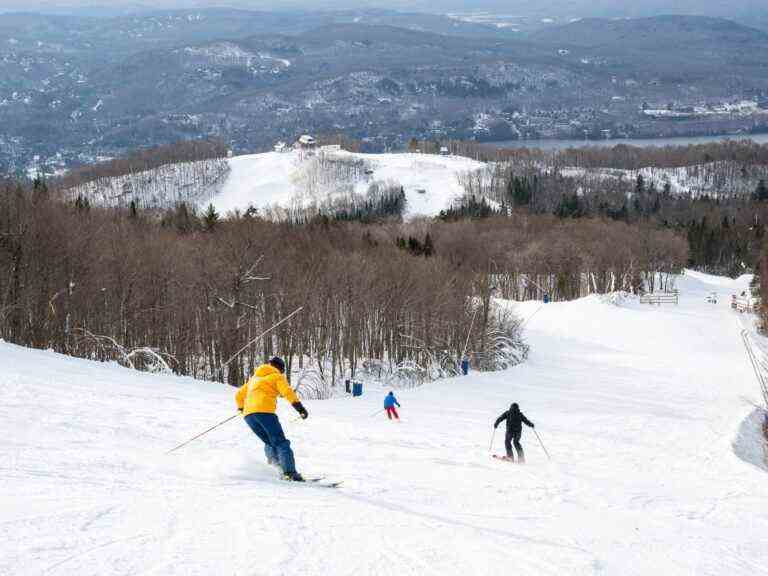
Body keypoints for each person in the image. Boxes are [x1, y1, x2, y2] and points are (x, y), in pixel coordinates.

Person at [235, 356, 309, 482]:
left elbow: (238, 395)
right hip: (265, 412)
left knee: (270, 442)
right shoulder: (277, 376)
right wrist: (300, 408)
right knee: (280, 442)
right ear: (279, 367)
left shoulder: (254, 379)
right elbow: (287, 392)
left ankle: (278, 468)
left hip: (249, 415)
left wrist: (241, 408)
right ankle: (290, 473)